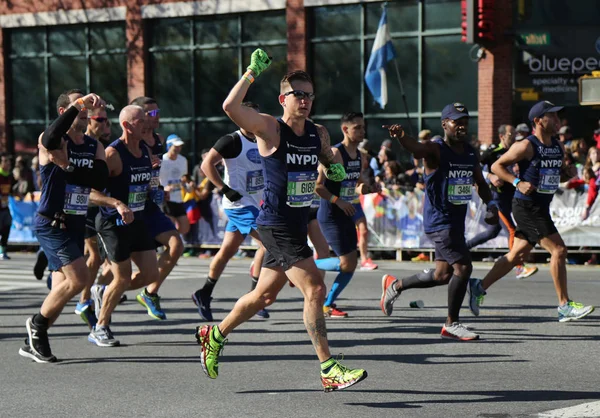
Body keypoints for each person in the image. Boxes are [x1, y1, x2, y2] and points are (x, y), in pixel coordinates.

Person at [195, 49, 367, 391]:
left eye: (308, 95)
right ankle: (328, 368)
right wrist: (250, 73)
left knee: (262, 296)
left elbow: (324, 162)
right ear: (282, 99)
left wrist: (331, 166)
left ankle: (214, 335)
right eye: (296, 95)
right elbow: (230, 108)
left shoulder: (318, 133)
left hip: (296, 222)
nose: (303, 101)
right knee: (315, 287)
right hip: (275, 222)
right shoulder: (270, 129)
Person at [379, 102, 499, 341]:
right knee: (463, 267)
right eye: (457, 122)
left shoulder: (469, 152)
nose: (462, 126)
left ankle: (396, 285)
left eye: (465, 121)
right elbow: (416, 148)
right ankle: (451, 324)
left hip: (455, 220)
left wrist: (491, 204)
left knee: (442, 275)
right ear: (445, 124)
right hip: (439, 220)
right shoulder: (436, 149)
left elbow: (480, 183)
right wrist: (402, 136)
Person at [468, 101, 595, 322]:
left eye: (557, 117)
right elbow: (496, 166)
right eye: (551, 117)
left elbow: (555, 176)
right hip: (527, 206)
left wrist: (568, 173)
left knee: (517, 254)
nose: (557, 121)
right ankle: (564, 305)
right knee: (559, 250)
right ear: (538, 121)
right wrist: (517, 181)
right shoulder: (526, 145)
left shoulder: (558, 146)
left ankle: (478, 286)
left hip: (540, 206)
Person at [19, 90, 108, 363]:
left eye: (85, 108)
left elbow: (100, 179)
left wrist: (68, 167)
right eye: (78, 107)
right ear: (64, 112)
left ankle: (31, 340)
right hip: (52, 222)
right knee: (79, 279)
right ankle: (37, 326)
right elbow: (49, 137)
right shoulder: (53, 141)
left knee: (61, 289)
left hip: (76, 221)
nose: (85, 111)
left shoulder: (94, 146)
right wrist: (78, 103)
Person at [88, 105, 159, 346]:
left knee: (151, 273)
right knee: (122, 277)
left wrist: (156, 191)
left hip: (136, 219)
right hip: (112, 222)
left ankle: (104, 291)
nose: (147, 123)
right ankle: (100, 327)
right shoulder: (112, 154)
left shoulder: (145, 150)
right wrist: (117, 203)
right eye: (141, 120)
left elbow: (145, 182)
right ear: (127, 125)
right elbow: (89, 192)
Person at [192, 102, 269, 320]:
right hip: (238, 204)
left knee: (227, 251)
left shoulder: (262, 138)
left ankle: (204, 293)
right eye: (249, 116)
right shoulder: (231, 140)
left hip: (256, 203)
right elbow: (207, 165)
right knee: (267, 244)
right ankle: (256, 296)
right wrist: (224, 189)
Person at [314, 112, 380, 318]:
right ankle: (297, 265)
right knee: (346, 263)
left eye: (363, 127)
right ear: (345, 129)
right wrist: (339, 201)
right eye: (357, 127)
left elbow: (356, 185)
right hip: (331, 213)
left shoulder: (360, 156)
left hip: (346, 212)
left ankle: (327, 304)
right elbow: (318, 187)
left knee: (350, 265)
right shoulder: (334, 153)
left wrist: (368, 188)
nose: (362, 131)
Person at [128, 96, 184, 321]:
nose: (156, 116)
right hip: (129, 207)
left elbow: (154, 173)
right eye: (151, 113)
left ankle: (150, 293)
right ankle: (96, 295)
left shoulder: (159, 140)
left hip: (150, 204)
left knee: (176, 244)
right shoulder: (129, 142)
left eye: (157, 111)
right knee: (116, 270)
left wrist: (159, 187)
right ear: (139, 117)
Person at [467, 124, 538, 279]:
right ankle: (519, 267)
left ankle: (464, 249)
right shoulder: (493, 152)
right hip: (498, 199)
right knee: (512, 230)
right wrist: (491, 176)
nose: (513, 136)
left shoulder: (516, 151)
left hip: (513, 196)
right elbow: (474, 168)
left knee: (493, 232)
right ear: (502, 136)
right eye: (510, 134)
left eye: (514, 134)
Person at [160, 134, 189, 235]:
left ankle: (176, 245)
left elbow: (184, 177)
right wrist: (163, 188)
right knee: (169, 228)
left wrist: (187, 184)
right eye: (175, 146)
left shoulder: (183, 160)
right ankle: (168, 247)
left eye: (180, 146)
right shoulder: (162, 160)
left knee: (185, 227)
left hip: (179, 198)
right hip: (166, 199)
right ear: (169, 146)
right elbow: (154, 179)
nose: (178, 148)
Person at [0, 153, 15, 260]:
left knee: (7, 227)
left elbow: (10, 191)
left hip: (5, 208)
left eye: (8, 161)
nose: (8, 163)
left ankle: (3, 251)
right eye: (5, 161)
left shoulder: (9, 176)